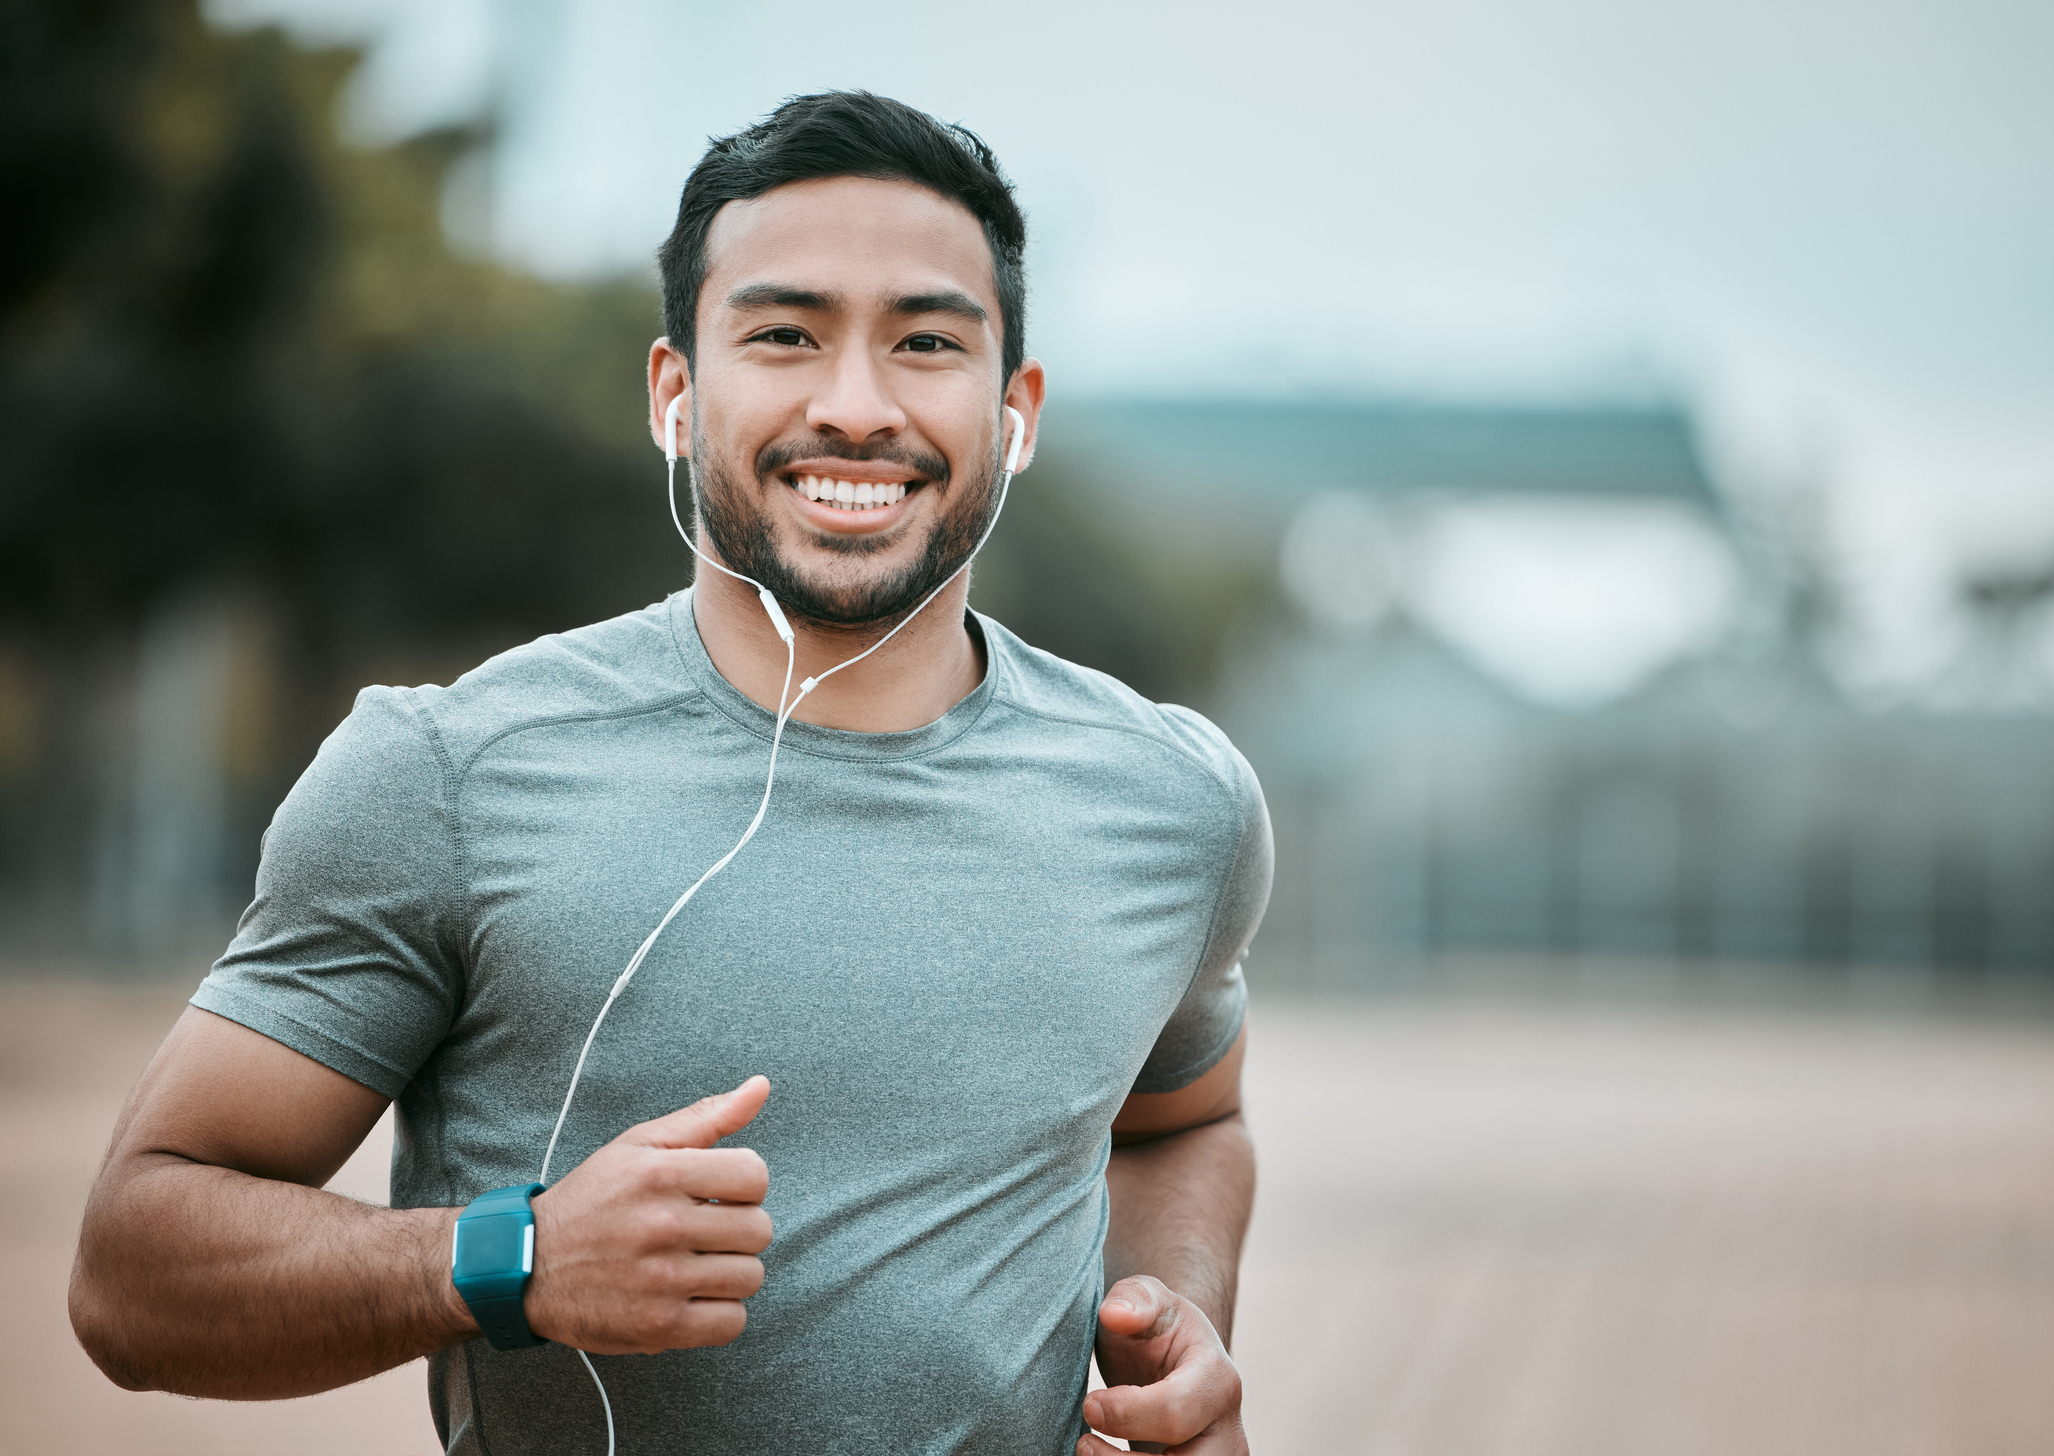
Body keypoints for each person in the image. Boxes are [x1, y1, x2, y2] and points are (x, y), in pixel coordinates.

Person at [70, 91, 1271, 1456]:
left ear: (1015, 411)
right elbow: (128, 1273)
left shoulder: (1174, 800)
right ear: (674, 395)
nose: (855, 405)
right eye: (783, 335)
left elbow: (1189, 1119)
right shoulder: (445, 774)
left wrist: (1173, 1319)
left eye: (926, 342)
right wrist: (506, 1262)